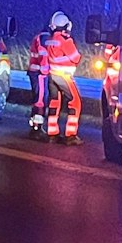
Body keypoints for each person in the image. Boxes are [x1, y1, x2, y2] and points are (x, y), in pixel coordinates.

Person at [42, 11, 83, 145]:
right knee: (75, 102)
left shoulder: (50, 40)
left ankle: (52, 134)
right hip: (64, 76)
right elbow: (76, 57)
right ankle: (71, 136)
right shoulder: (66, 40)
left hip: (52, 76)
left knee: (54, 103)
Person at [26, 24, 51, 141]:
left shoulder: (40, 36)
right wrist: (45, 70)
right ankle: (37, 129)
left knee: (37, 99)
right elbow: (43, 54)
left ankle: (35, 127)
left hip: (36, 72)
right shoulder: (45, 38)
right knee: (40, 101)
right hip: (40, 74)